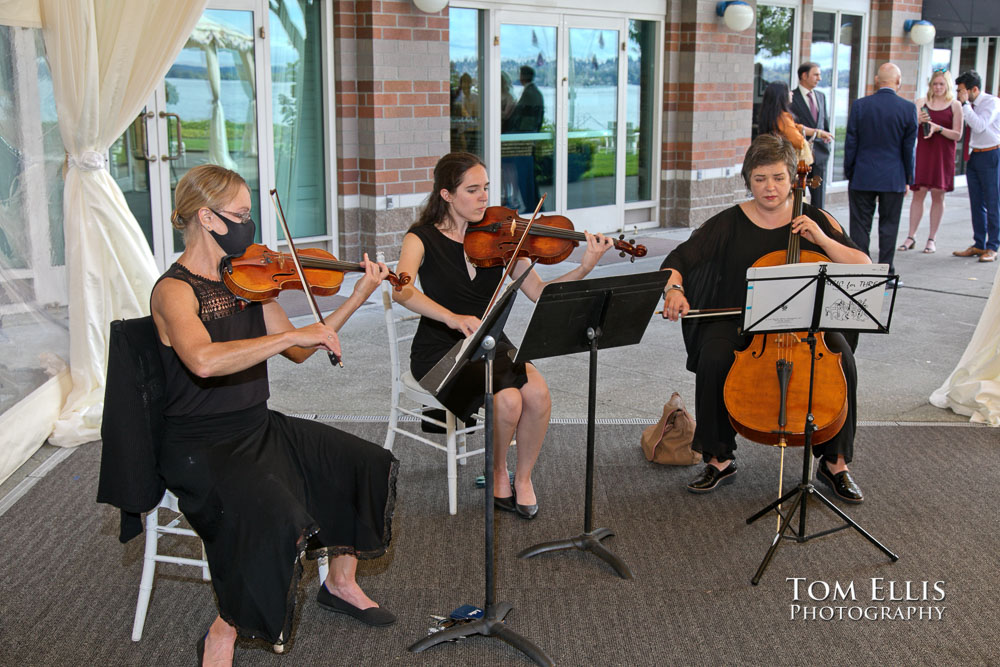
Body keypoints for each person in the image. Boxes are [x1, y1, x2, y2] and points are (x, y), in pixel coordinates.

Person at [149, 164, 398, 666]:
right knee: (274, 517)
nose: (249, 226)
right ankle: (225, 628)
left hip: (256, 426)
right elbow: (202, 359)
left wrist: (355, 298)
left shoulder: (249, 278)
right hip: (200, 444)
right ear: (207, 218)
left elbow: (305, 349)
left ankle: (341, 584)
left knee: (362, 460)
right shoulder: (173, 290)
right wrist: (286, 336)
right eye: (240, 214)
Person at [393, 152, 613, 519]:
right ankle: (496, 471)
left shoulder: (503, 236)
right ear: (446, 195)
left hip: (489, 340)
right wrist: (451, 317)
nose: (484, 198)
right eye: (473, 190)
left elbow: (540, 292)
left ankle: (523, 478)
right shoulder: (421, 238)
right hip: (440, 350)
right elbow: (402, 290)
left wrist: (585, 266)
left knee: (538, 393)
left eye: (487, 188)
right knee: (509, 401)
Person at [660, 134, 871, 503]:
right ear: (748, 181)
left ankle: (835, 463)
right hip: (744, 322)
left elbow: (863, 266)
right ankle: (718, 457)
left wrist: (821, 239)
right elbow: (678, 259)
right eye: (759, 179)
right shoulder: (729, 222)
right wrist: (673, 290)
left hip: (807, 325)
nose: (769, 187)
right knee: (714, 356)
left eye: (777, 177)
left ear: (793, 177)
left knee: (842, 357)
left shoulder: (815, 218)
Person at [845, 62, 918, 277]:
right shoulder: (907, 108)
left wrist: (850, 172)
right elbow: (908, 148)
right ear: (898, 82)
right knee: (889, 225)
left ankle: (860, 270)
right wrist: (907, 177)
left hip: (863, 174)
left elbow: (851, 143)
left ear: (877, 80)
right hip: (893, 175)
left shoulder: (860, 105)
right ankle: (885, 272)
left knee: (859, 226)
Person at [900, 69, 963, 255]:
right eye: (935, 84)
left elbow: (957, 135)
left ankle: (932, 238)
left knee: (938, 194)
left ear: (948, 86)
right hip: (924, 153)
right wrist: (917, 120)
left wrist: (938, 128)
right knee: (918, 193)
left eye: (941, 84)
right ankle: (911, 236)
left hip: (943, 155)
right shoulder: (921, 103)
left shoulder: (955, 105)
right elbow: (908, 127)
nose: (938, 87)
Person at [953, 70, 1000, 262]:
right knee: (976, 203)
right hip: (975, 156)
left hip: (991, 154)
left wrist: (964, 105)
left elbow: (980, 125)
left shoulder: (992, 103)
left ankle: (993, 246)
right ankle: (979, 244)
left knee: (992, 202)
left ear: (974, 89)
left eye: (962, 91)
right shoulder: (969, 105)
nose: (959, 95)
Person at [790, 62, 835, 209]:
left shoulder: (821, 97)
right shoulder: (792, 97)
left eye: (820, 75)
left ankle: (818, 227)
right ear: (804, 76)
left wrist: (826, 143)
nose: (819, 78)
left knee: (819, 201)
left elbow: (824, 123)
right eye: (816, 74)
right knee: (798, 198)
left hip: (820, 155)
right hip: (801, 158)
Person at [757, 81, 819, 168]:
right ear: (782, 95)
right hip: (785, 163)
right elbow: (798, 141)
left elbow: (793, 127)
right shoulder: (783, 118)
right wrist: (804, 140)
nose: (792, 93)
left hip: (772, 159)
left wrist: (817, 132)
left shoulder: (771, 115)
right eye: (789, 91)